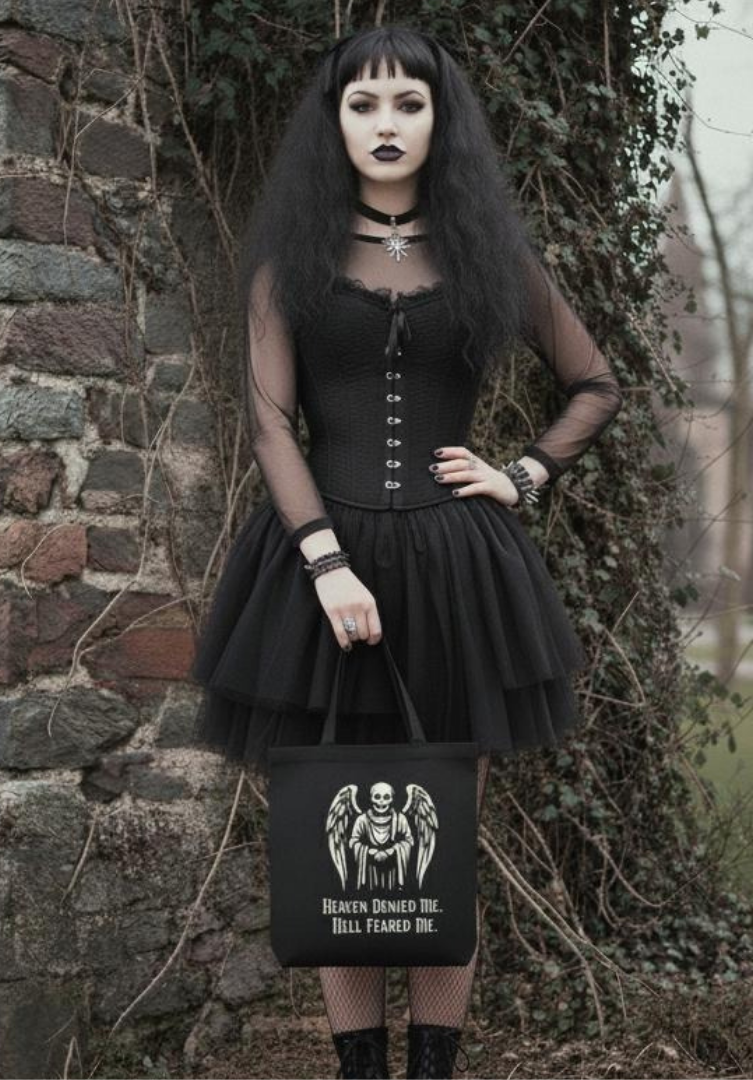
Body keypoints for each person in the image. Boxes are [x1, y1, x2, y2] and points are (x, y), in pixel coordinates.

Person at [190, 24, 622, 1080]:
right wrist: (326, 562)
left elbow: (596, 384)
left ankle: (434, 1066)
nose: (386, 124)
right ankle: (360, 1069)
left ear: (440, 120)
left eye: (409, 103)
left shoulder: (490, 259)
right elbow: (270, 426)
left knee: (440, 829)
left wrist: (522, 475)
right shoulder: (290, 264)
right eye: (364, 104)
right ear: (334, 123)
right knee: (330, 828)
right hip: (317, 570)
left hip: (456, 573)